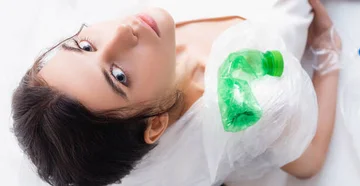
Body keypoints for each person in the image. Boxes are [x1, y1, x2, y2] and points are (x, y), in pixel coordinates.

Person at [11, 0, 341, 185]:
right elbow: (308, 162)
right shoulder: (251, 106)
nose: (122, 32)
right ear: (155, 125)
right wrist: (328, 55)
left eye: (84, 45)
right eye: (120, 75)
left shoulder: (132, 21)